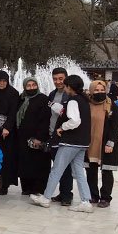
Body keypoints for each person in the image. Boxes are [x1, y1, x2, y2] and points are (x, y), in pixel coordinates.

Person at [31, 75, 93, 212]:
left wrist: (62, 127)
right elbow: (67, 112)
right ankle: (86, 201)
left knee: (56, 169)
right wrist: (54, 106)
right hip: (82, 143)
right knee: (79, 172)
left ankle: (46, 198)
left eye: (65, 86)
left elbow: (75, 120)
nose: (63, 88)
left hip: (70, 142)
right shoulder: (83, 100)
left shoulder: (73, 101)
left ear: (69, 87)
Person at [85, 80, 118, 208]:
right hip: (90, 143)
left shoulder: (111, 105)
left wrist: (110, 143)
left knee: (107, 171)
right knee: (91, 171)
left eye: (102, 90)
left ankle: (105, 197)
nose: (99, 92)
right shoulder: (87, 104)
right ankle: (93, 195)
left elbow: (115, 127)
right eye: (96, 90)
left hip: (107, 144)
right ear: (91, 90)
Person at [16, 77, 52, 196]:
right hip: (22, 138)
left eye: (33, 85)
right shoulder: (21, 98)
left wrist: (39, 137)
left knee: (38, 163)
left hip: (37, 137)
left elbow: (45, 119)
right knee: (25, 163)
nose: (31, 87)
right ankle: (26, 187)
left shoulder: (43, 99)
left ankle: (38, 189)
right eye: (28, 85)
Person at [0, 70, 19, 195]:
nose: (2, 84)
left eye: (4, 81)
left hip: (7, 132)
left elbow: (13, 112)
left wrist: (7, 127)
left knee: (5, 158)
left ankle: (4, 184)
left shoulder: (13, 93)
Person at [48, 67, 73, 206]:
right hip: (53, 135)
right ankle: (62, 192)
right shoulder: (52, 94)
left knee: (65, 166)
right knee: (57, 166)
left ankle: (67, 195)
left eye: (60, 79)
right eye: (55, 79)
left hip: (65, 135)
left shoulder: (70, 95)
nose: (58, 82)